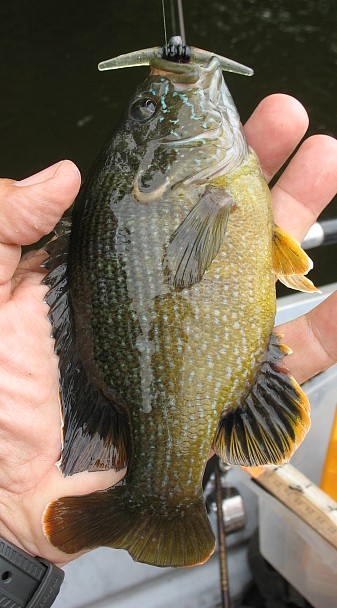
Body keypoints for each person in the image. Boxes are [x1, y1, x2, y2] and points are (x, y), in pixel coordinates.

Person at [0, 93, 336, 572]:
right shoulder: (219, 188)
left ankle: (150, 492)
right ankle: (156, 493)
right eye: (147, 112)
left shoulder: (212, 189)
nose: (164, 101)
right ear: (151, 168)